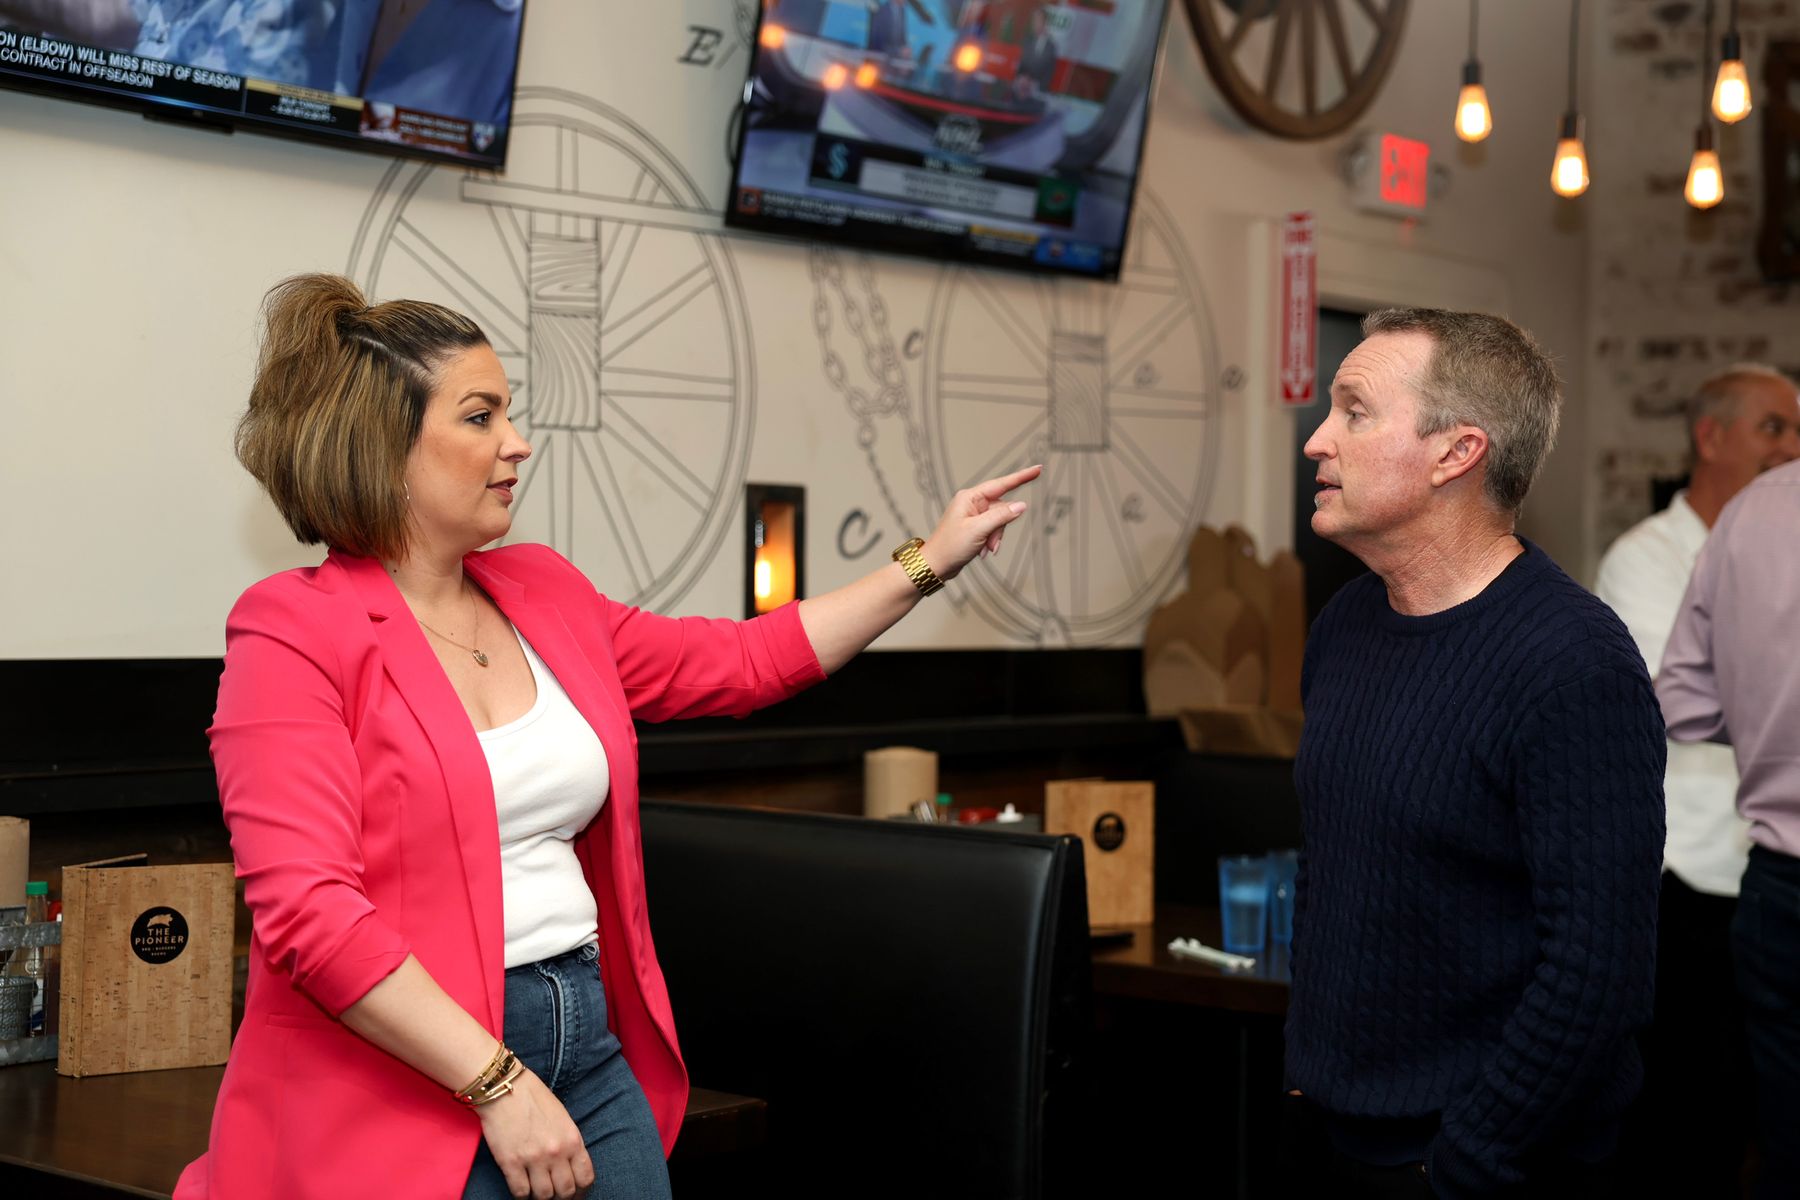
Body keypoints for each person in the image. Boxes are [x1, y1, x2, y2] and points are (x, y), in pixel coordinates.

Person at [173, 273, 1040, 1200]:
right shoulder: (292, 629)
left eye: (508, 414)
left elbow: (744, 661)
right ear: (386, 449)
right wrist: (496, 1082)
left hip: (582, 1044)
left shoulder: (542, 589)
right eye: (481, 417)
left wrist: (927, 562)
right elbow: (309, 913)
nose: (518, 442)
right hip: (401, 1069)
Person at [1283, 308, 1666, 1198]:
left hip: (1477, 1163)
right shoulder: (1346, 623)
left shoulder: (1574, 664)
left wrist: (1469, 1156)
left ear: (1456, 453)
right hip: (1333, 1131)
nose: (1317, 441)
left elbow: (1598, 976)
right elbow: (1333, 869)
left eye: (1354, 412)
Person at [1595, 364, 1799, 1195]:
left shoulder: (1769, 529)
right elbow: (1668, 704)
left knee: (1762, 1109)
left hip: (1757, 863)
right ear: (1709, 437)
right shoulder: (1644, 557)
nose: (1790, 444)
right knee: (1688, 1109)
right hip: (1685, 876)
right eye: (1773, 426)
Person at [1658, 456, 1800, 1200]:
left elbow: (1681, 699)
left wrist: (1764, 716)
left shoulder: (1755, 509)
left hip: (1778, 889)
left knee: (1788, 1147)